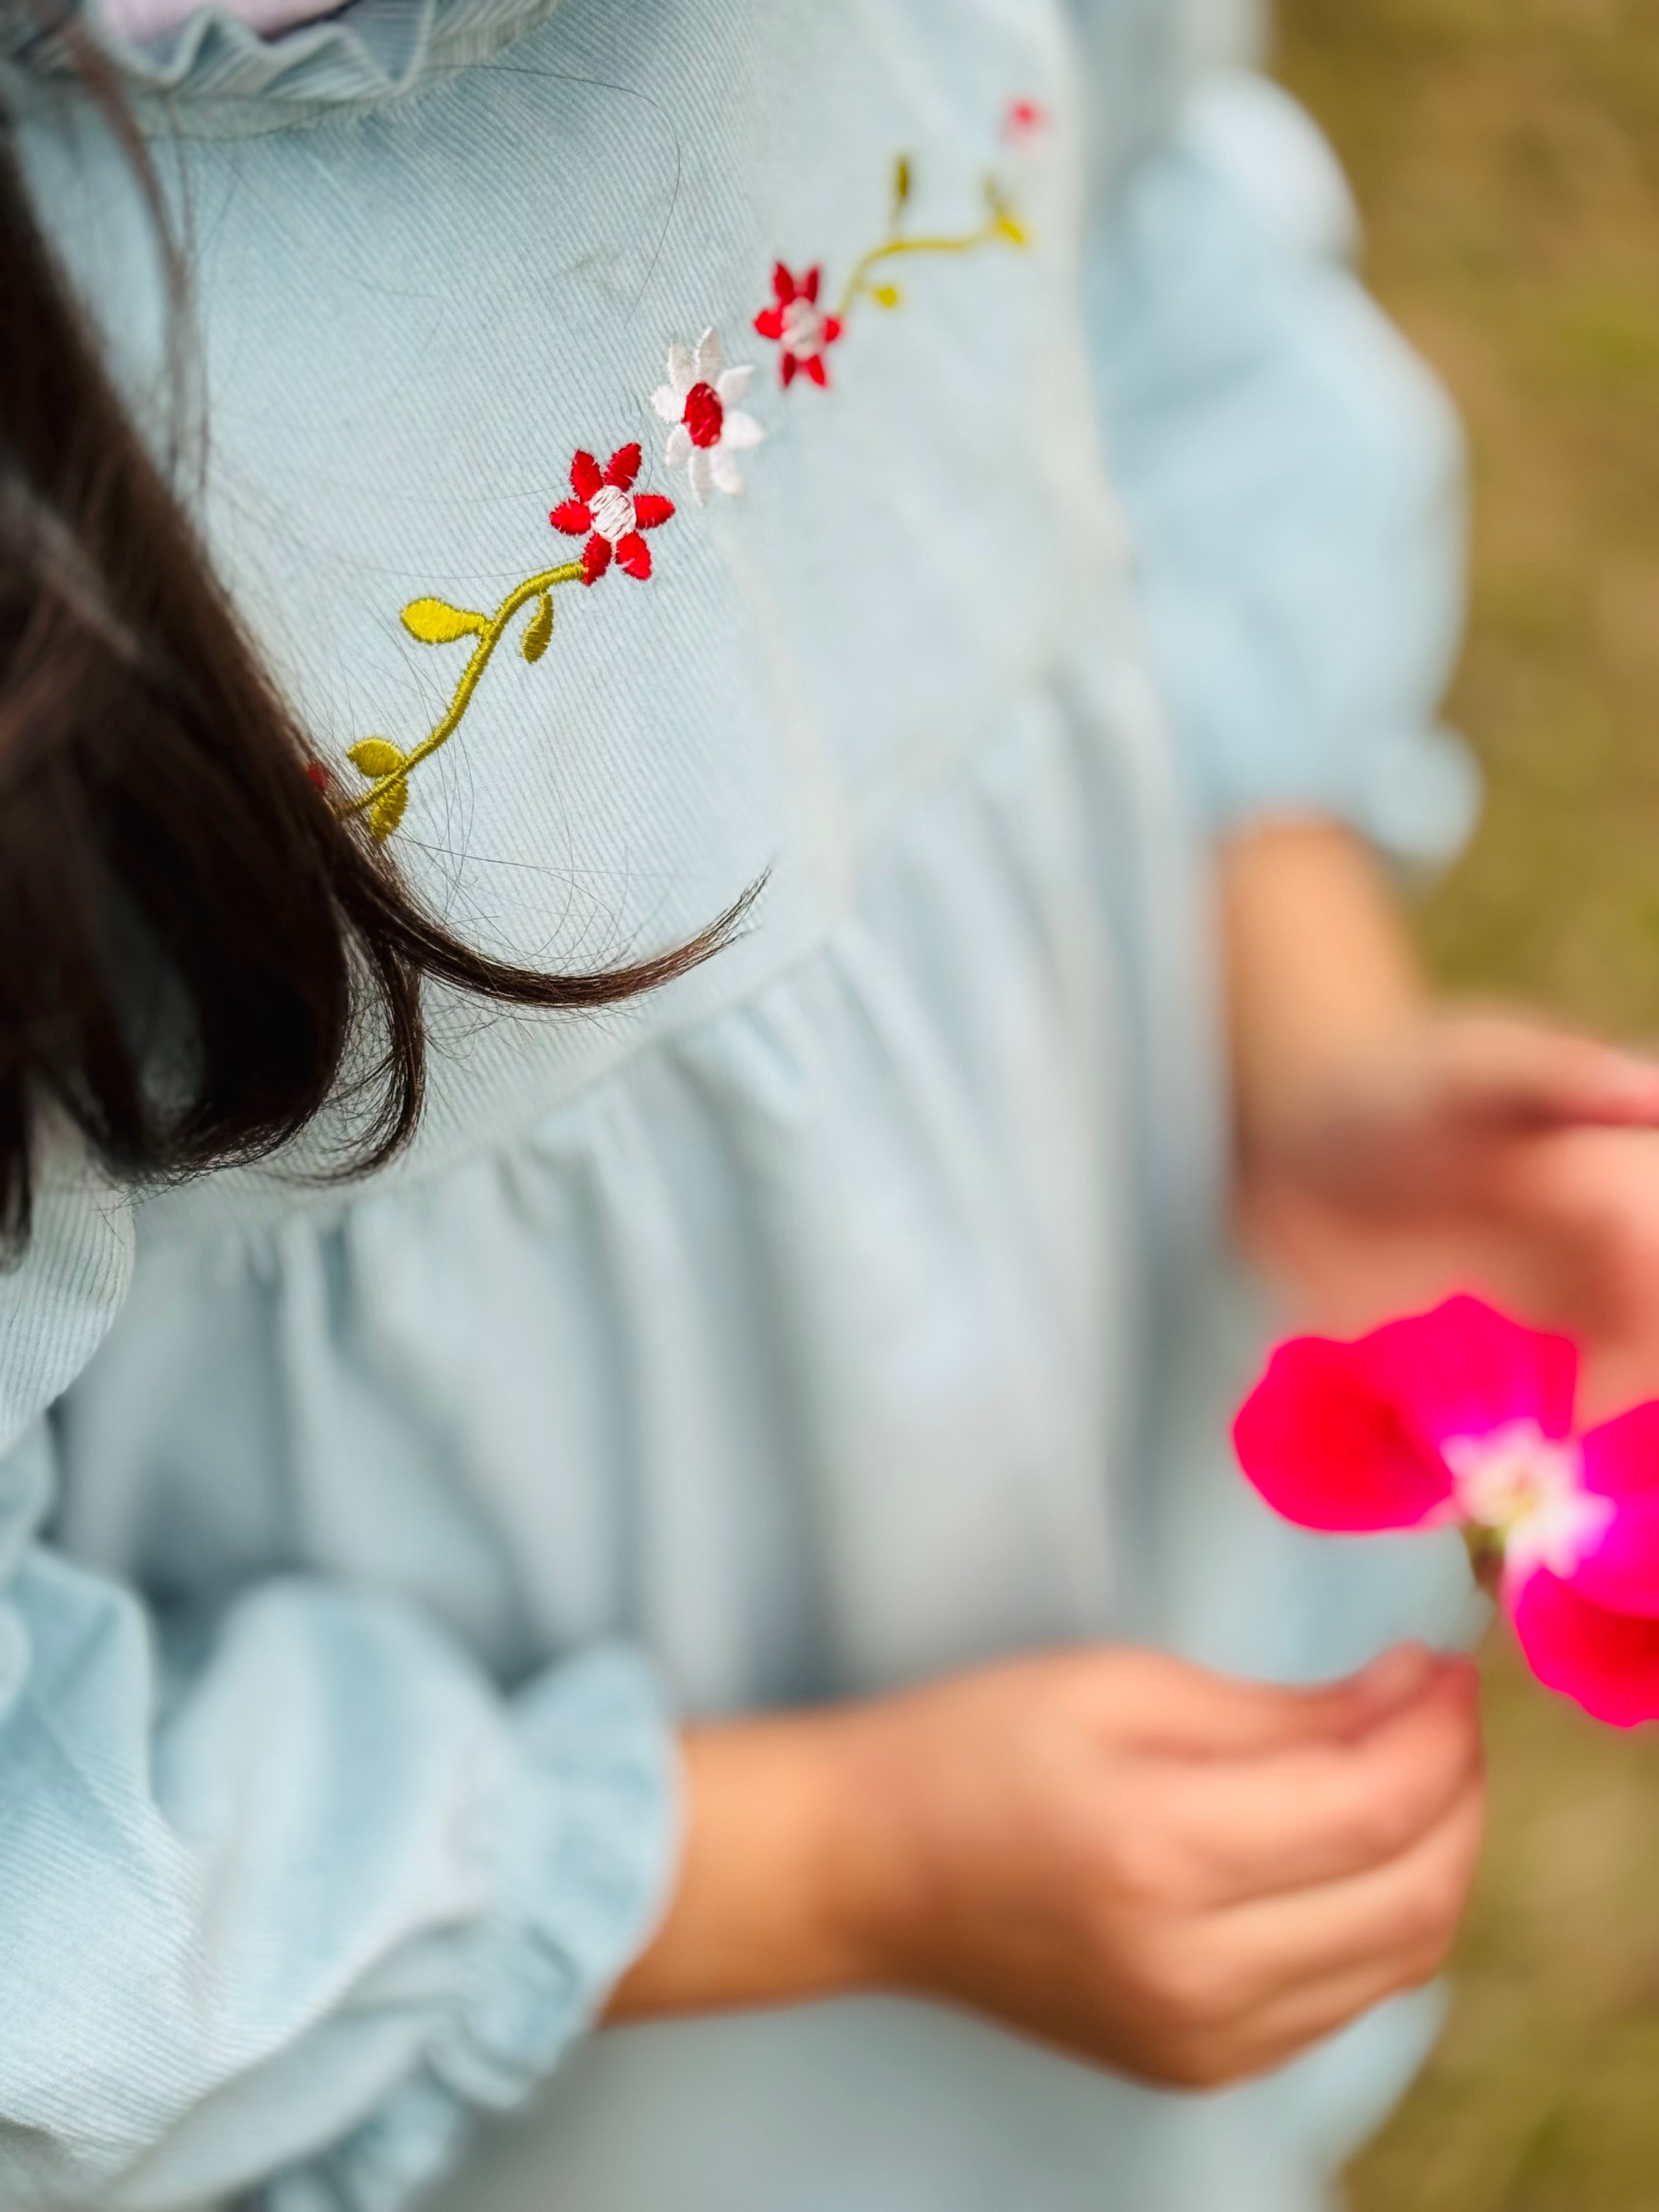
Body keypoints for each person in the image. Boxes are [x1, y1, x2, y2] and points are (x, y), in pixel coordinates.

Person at [2, 2, 1658, 2207]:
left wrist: (1309, 1028)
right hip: (576, 1992)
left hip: (1084, 1528)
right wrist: (844, 1866)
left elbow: (1133, 244)